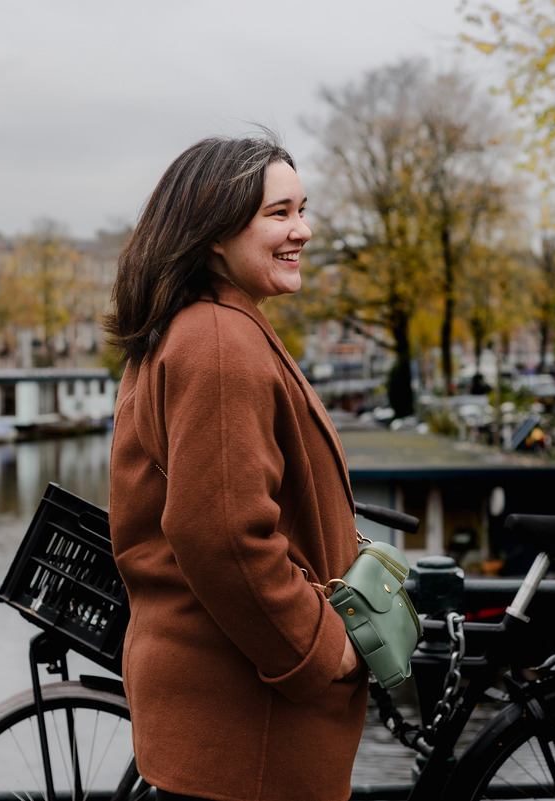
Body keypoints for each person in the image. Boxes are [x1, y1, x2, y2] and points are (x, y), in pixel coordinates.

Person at [105, 133, 365, 801]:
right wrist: (321, 646)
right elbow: (220, 532)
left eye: (303, 210)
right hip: (249, 727)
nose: (302, 230)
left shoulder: (203, 326)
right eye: (279, 213)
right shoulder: (220, 340)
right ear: (215, 232)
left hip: (227, 721)